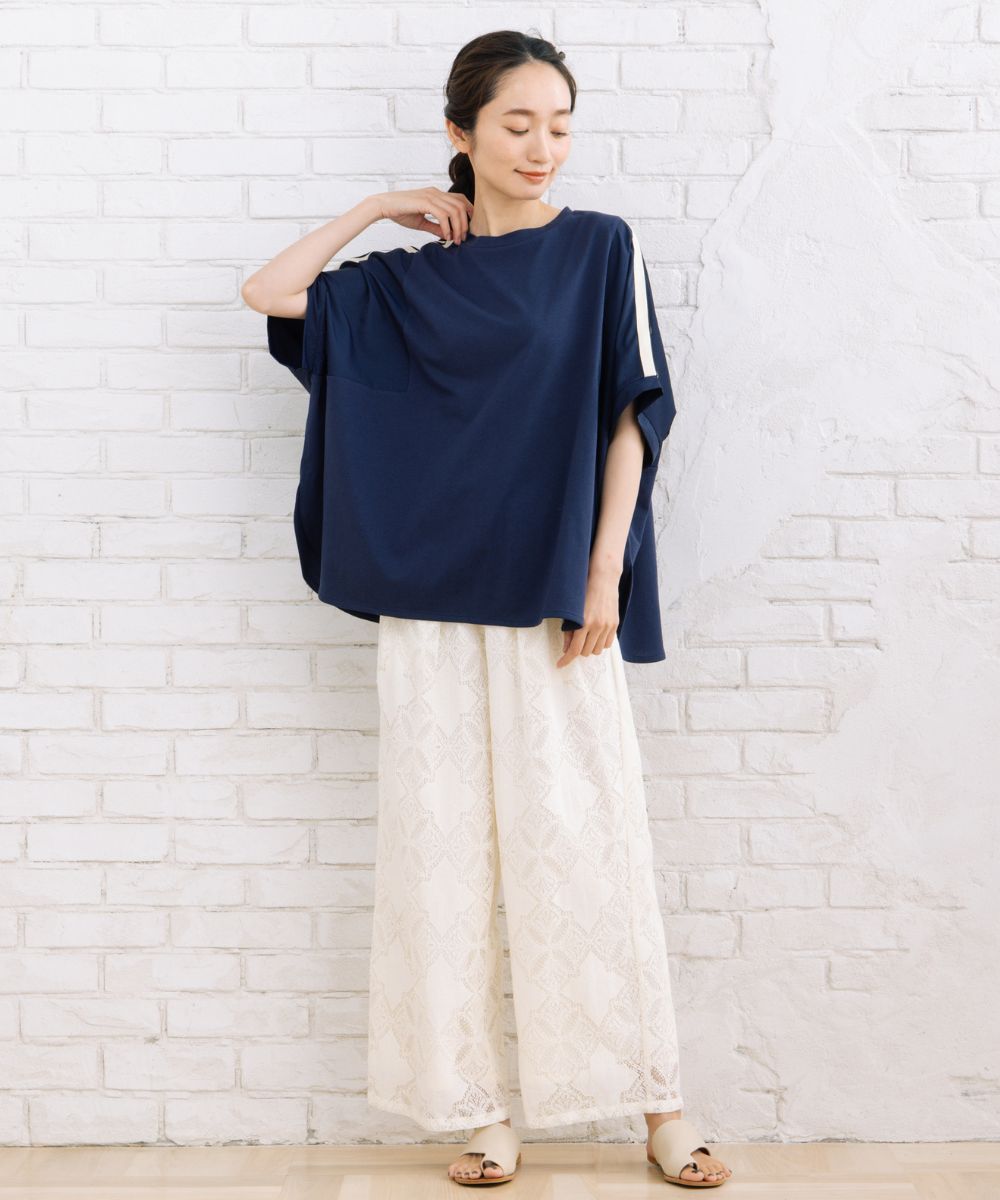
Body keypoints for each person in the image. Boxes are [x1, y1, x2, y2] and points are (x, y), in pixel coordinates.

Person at [242, 27, 733, 1192]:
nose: (542, 146)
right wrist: (378, 207)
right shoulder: (407, 282)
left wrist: (604, 571)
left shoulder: (601, 248)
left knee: (591, 844)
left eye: (559, 125)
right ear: (460, 134)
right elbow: (269, 293)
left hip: (555, 594)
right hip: (433, 603)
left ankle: (657, 1107)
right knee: (442, 856)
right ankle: (479, 1112)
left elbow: (633, 413)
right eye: (517, 124)